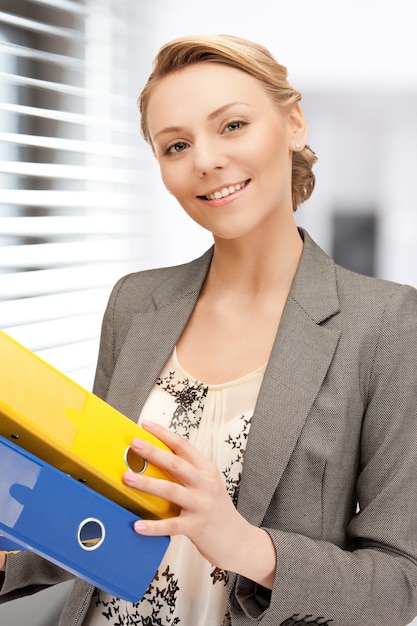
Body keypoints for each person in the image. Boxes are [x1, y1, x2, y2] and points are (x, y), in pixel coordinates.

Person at [1, 33, 417, 626]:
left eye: (231, 126)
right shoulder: (135, 303)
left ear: (294, 124)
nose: (205, 160)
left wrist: (245, 545)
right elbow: (89, 512)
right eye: (175, 145)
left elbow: (399, 582)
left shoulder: (387, 324)